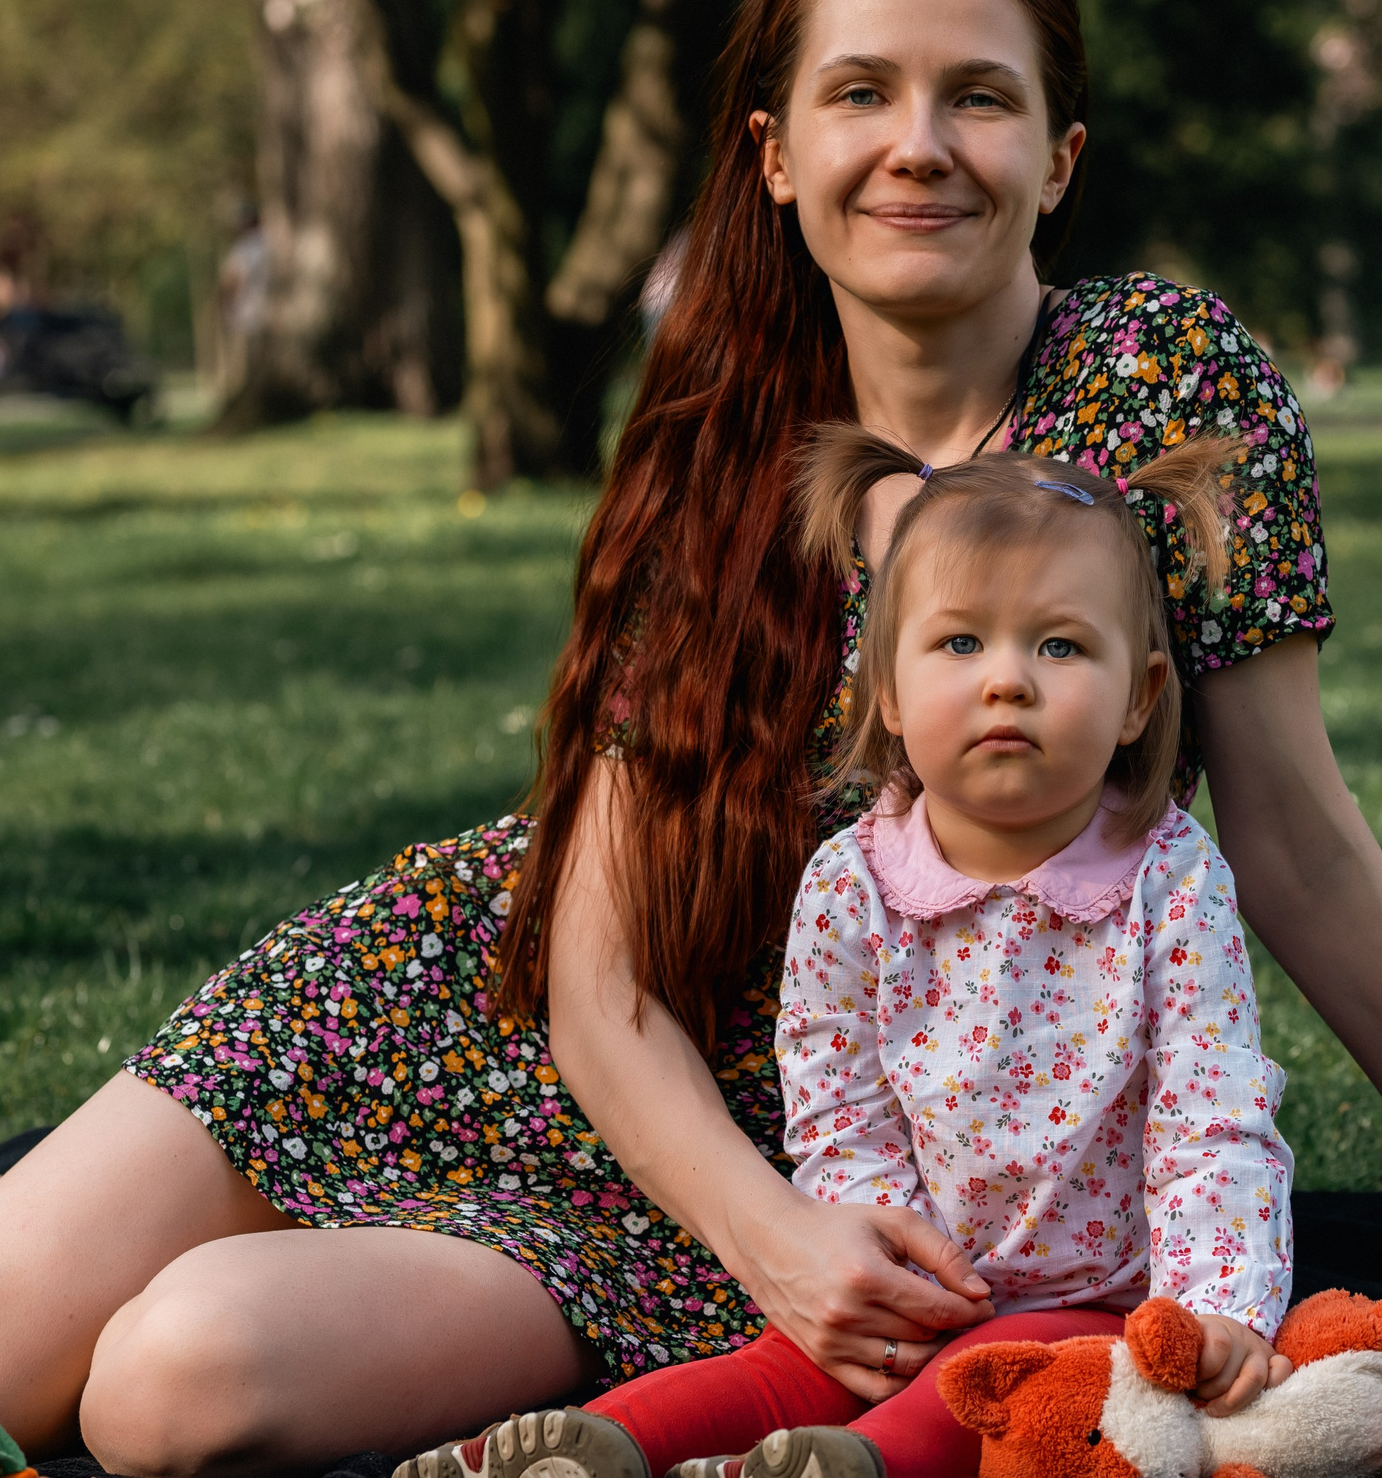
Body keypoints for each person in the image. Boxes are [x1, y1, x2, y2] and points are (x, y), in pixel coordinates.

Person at [0, 0, 1382, 1478]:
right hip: (491, 1015)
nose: (922, 143)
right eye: (865, 95)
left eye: (980, 99)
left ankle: (106, 1249)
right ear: (780, 155)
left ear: (1058, 157)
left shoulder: (1165, 380)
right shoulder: (715, 450)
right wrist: (785, 1243)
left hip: (770, 1145)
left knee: (169, 1400)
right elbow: (590, 972)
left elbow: (1304, 848)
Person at [398, 434, 1292, 1478]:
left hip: (1092, 1297)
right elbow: (837, 1103)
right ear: (889, 693)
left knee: (1007, 1377)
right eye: (961, 644)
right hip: (910, 1276)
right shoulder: (851, 885)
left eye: (1060, 648)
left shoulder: (1167, 882)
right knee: (773, 1371)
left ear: (1139, 695)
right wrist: (890, 1264)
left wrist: (1210, 1309)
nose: (1008, 681)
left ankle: (842, 1468)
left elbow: (1210, 1109)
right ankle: (593, 1448)